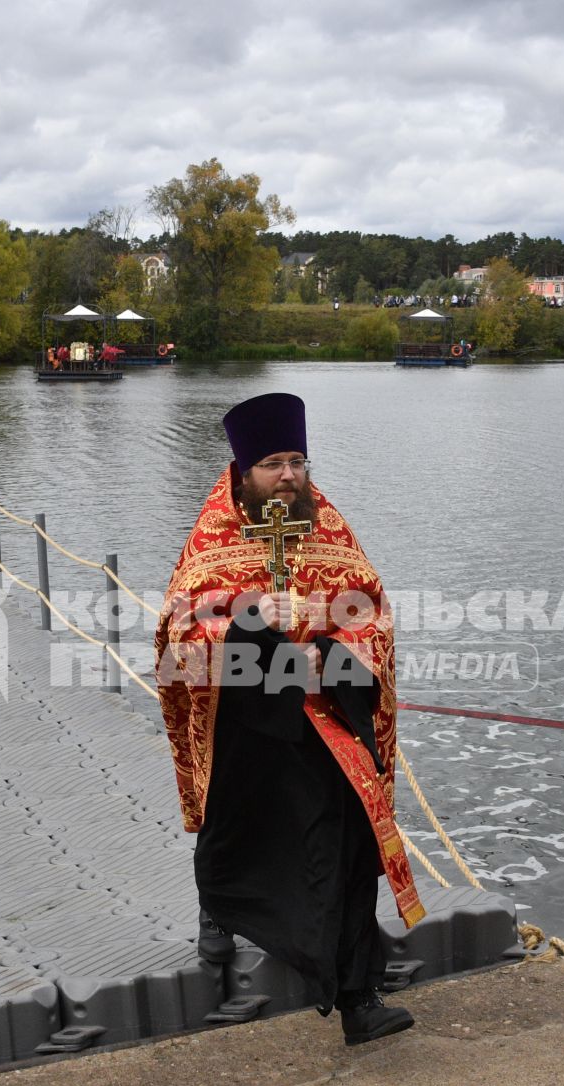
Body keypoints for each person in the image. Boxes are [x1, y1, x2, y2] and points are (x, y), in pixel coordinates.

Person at [155, 392, 424, 1047]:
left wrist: (325, 652)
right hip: (247, 731)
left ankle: (359, 998)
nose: (289, 475)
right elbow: (176, 636)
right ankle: (221, 915)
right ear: (245, 471)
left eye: (297, 460)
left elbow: (376, 617)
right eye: (273, 462)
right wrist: (248, 623)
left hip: (327, 722)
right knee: (238, 855)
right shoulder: (213, 535)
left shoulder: (328, 526)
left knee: (352, 846)